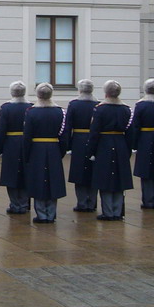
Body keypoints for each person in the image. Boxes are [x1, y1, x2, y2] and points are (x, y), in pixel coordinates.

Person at [85, 80, 133, 221]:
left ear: (106, 93)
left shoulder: (100, 109)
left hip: (104, 144)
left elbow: (94, 132)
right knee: (119, 180)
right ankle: (117, 211)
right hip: (120, 143)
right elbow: (130, 133)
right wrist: (128, 150)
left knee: (104, 179)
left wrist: (91, 151)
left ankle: (108, 211)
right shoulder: (126, 109)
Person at [23, 83, 67, 224]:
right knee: (53, 180)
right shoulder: (59, 112)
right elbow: (64, 135)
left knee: (38, 180)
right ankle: (51, 213)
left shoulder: (31, 112)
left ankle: (41, 213)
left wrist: (27, 154)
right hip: (54, 147)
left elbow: (27, 135)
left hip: (37, 148)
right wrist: (61, 151)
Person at [0, 81, 32, 214]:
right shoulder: (31, 107)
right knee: (25, 173)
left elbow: (2, 130)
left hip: (11, 143)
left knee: (11, 174)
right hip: (26, 142)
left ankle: (14, 203)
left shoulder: (6, 108)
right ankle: (23, 203)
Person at [65, 80, 98, 213]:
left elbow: (68, 126)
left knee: (79, 172)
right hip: (93, 139)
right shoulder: (98, 104)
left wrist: (68, 145)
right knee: (93, 171)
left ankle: (82, 202)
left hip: (78, 140)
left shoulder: (74, 104)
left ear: (80, 90)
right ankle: (92, 202)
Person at [131, 79, 154, 209]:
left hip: (145, 138)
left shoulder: (141, 105)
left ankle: (148, 200)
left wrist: (134, 144)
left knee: (146, 170)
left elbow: (136, 126)